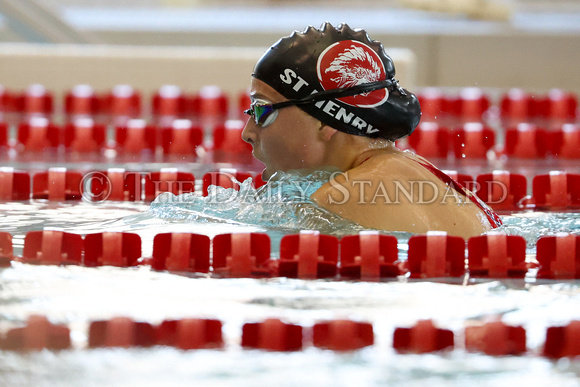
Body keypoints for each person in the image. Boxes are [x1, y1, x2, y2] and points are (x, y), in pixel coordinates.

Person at [241, 23, 502, 239]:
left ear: (325, 121)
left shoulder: (337, 199)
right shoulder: (424, 174)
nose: (248, 132)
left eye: (262, 111)